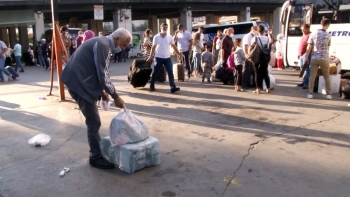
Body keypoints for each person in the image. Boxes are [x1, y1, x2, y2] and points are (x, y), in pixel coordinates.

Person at [60, 28, 130, 169]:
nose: (123, 49)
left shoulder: (103, 43)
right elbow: (102, 75)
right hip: (78, 83)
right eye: (123, 45)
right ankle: (95, 157)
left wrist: (102, 93)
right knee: (94, 121)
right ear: (116, 39)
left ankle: (96, 153)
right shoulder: (103, 45)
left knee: (94, 121)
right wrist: (115, 96)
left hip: (79, 80)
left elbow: (97, 70)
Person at [146, 23, 182, 93]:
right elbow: (153, 47)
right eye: (163, 27)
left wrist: (178, 54)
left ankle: (172, 87)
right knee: (155, 72)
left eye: (166, 27)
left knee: (170, 72)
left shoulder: (169, 37)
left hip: (167, 58)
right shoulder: (156, 37)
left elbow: (174, 46)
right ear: (160, 28)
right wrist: (150, 56)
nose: (165, 28)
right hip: (158, 57)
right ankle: (152, 85)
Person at [305, 18, 332, 100]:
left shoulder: (313, 34)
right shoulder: (328, 35)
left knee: (312, 76)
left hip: (315, 57)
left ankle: (310, 93)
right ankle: (328, 94)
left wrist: (306, 57)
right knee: (326, 76)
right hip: (325, 58)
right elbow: (328, 46)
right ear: (327, 25)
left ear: (321, 24)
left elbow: (309, 47)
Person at [250, 25, 271, 94]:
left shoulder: (255, 38)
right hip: (265, 57)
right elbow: (270, 45)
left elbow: (251, 46)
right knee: (265, 73)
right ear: (263, 30)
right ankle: (268, 88)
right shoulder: (267, 38)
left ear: (257, 31)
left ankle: (258, 89)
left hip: (257, 57)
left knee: (257, 73)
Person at [297, 24, 312, 89]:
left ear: (307, 28)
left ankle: (306, 83)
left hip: (306, 55)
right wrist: (299, 54)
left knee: (307, 70)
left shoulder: (310, 35)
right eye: (302, 29)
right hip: (301, 55)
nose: (302, 30)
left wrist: (306, 55)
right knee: (303, 69)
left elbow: (309, 46)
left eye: (304, 29)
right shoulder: (304, 35)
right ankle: (304, 81)